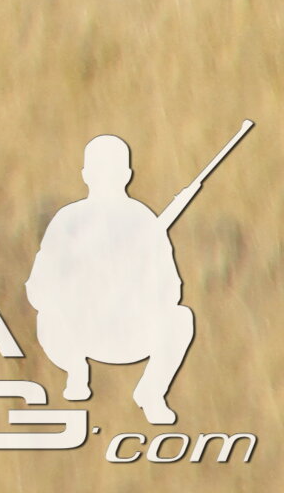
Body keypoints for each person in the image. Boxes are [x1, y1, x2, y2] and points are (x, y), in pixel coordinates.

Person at [33, 134, 198, 428]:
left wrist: (134, 287)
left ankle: (152, 392)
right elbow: (39, 288)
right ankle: (75, 371)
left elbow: (171, 290)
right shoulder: (68, 220)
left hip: (129, 332)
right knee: (49, 316)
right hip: (78, 333)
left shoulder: (145, 221)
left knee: (180, 318)